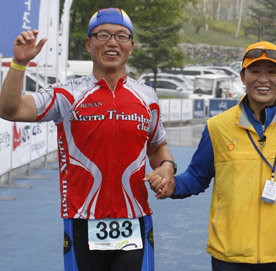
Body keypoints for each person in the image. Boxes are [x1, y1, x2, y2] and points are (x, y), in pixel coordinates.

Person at [0, 8, 176, 271]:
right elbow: (10, 109)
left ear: (131, 45)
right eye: (102, 35)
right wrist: (19, 64)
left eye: (121, 36)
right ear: (88, 43)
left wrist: (167, 167)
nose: (112, 43)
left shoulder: (147, 97)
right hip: (81, 220)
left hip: (136, 219)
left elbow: (158, 146)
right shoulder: (67, 94)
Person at [146, 41, 276, 271]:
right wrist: (170, 186)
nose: (263, 79)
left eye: (272, 72)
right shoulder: (218, 127)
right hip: (230, 256)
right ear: (242, 76)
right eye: (255, 71)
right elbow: (197, 177)